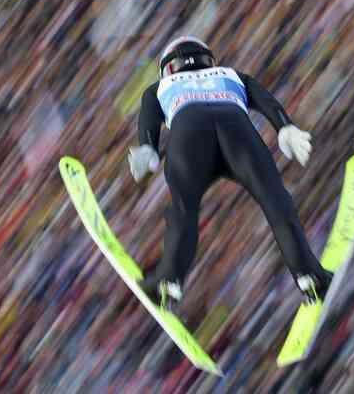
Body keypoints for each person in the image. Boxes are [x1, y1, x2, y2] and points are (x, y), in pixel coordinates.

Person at [128, 36, 333, 310]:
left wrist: (147, 147)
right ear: (209, 60)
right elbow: (266, 101)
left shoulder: (160, 86)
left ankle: (169, 281)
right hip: (237, 129)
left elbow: (149, 117)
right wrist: (285, 127)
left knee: (184, 209)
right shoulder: (232, 74)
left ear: (168, 68)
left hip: (189, 131)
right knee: (275, 201)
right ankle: (309, 275)